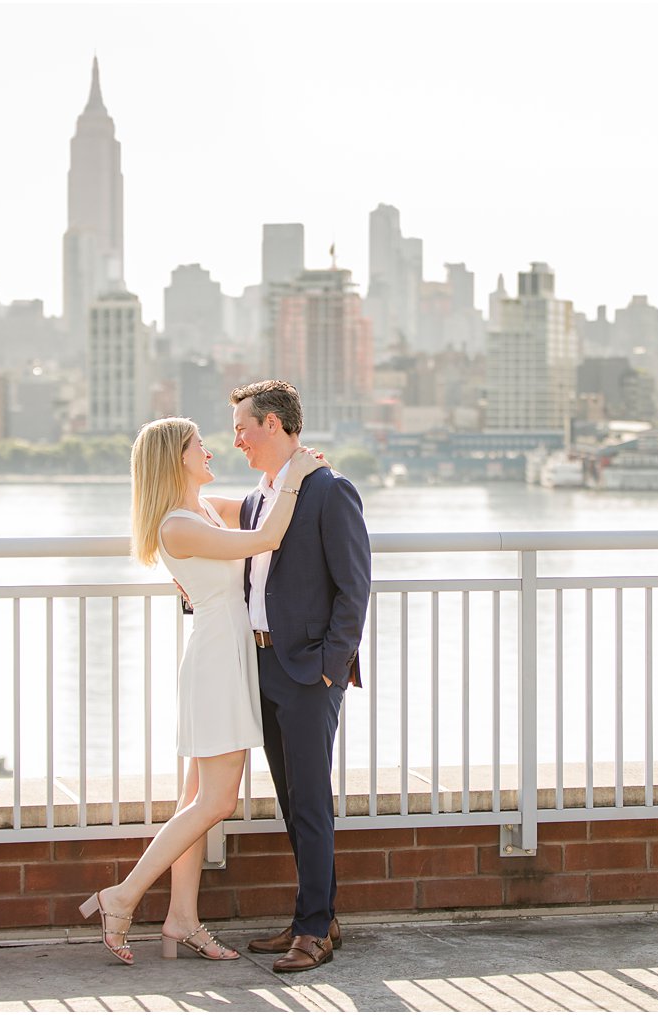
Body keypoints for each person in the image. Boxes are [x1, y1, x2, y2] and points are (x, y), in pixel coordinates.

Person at [80, 416, 322, 965]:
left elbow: (259, 508)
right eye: (198, 446)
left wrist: (291, 474)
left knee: (194, 799)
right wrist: (298, 470)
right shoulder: (177, 525)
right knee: (216, 801)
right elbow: (266, 536)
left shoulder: (204, 511)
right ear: (176, 458)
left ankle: (182, 919)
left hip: (224, 654)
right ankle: (122, 897)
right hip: (216, 661)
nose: (211, 450)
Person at [229, 380, 371, 974]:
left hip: (308, 673)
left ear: (273, 424)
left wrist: (328, 671)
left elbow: (354, 588)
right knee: (292, 800)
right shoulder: (253, 501)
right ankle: (319, 916)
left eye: (242, 427)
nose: (235, 438)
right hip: (262, 666)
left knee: (311, 801)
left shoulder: (329, 491)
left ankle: (313, 930)